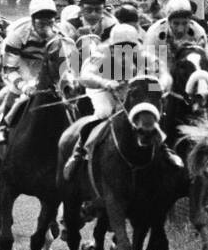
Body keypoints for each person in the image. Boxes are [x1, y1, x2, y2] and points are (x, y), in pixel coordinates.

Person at [62, 23, 180, 179]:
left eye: (130, 47)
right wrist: (105, 83)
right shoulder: (100, 54)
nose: (125, 52)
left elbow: (164, 75)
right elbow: (85, 76)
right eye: (120, 48)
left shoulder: (145, 56)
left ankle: (163, 147)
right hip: (104, 90)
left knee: (153, 111)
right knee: (104, 112)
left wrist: (159, 85)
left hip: (132, 92)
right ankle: (79, 152)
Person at [0, 0, 68, 145]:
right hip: (23, 63)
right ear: (33, 20)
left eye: (50, 20)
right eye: (41, 21)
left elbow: (65, 63)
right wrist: (24, 85)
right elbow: (9, 69)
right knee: (19, 92)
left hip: (45, 64)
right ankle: (5, 125)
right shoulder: (17, 35)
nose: (46, 26)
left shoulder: (60, 34)